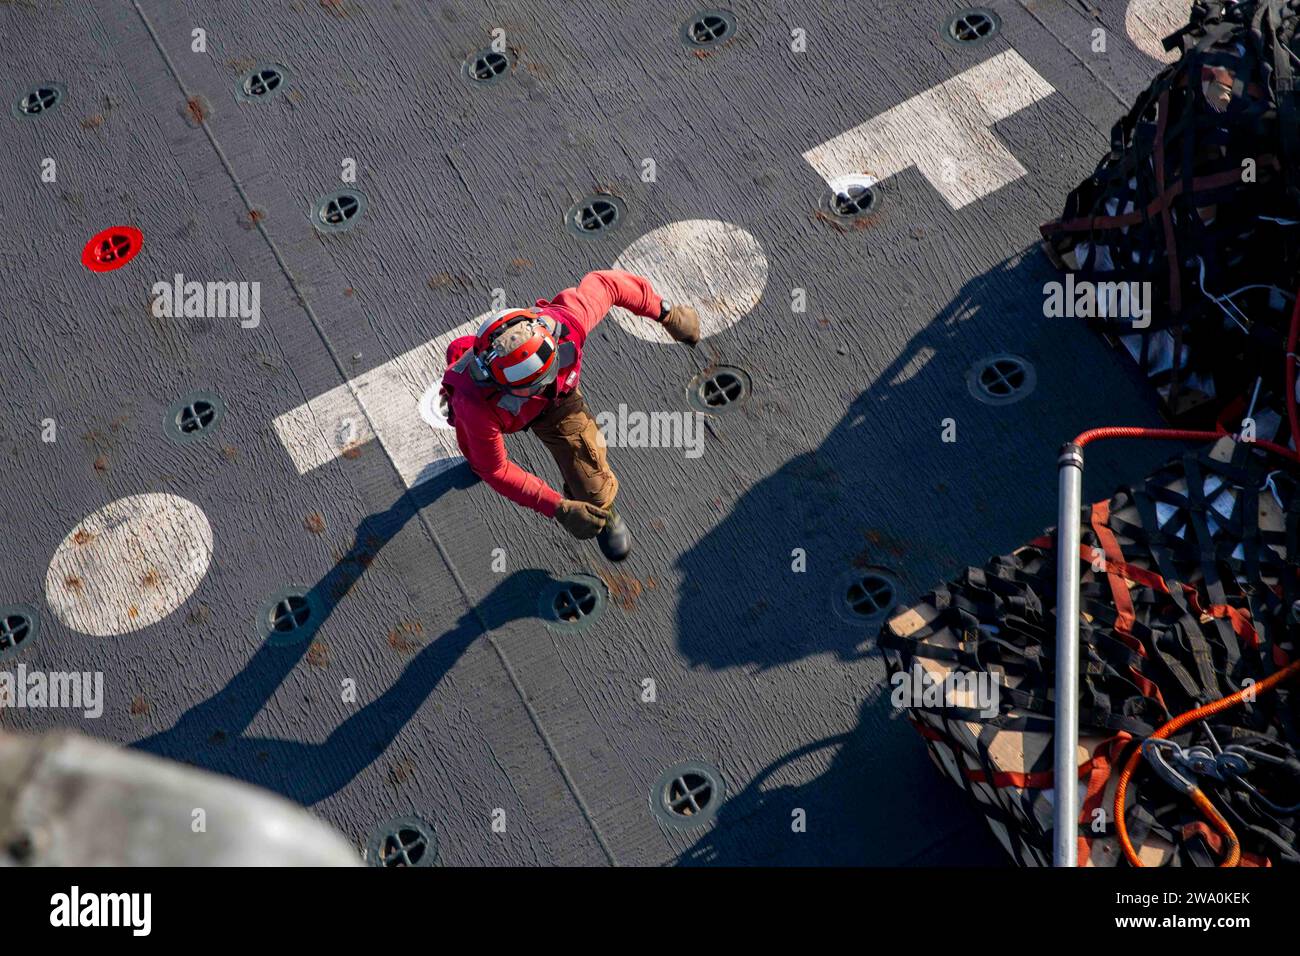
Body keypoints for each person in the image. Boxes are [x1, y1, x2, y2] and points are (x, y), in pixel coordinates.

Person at [439, 269, 700, 560]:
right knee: (478, 454)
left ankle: (601, 508)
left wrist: (666, 313)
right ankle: (462, 417)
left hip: (559, 406)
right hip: (487, 409)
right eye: (535, 386)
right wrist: (557, 508)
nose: (547, 384)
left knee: (591, 477)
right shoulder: (475, 405)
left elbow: (608, 285)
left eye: (549, 373)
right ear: (492, 380)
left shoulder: (567, 323)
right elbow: (496, 470)